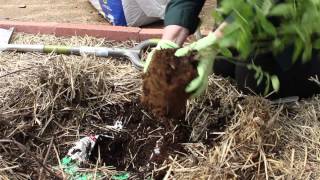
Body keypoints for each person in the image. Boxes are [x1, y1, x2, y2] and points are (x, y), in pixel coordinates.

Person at [144, 0, 320, 99]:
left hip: (290, 20)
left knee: (254, 85)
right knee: (221, 65)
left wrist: (219, 37)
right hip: (239, 13)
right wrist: (170, 39)